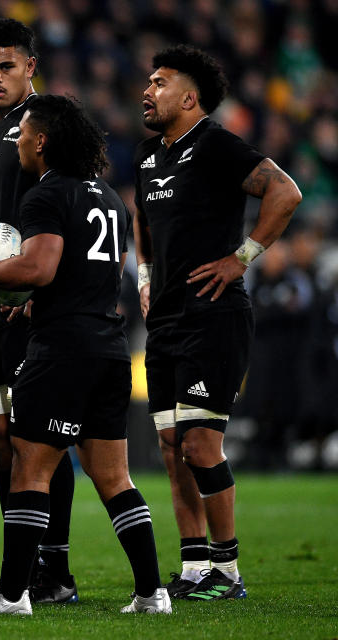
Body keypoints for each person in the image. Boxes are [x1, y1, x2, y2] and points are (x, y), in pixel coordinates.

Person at [0, 94, 170, 616]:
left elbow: (38, 269)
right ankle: (150, 592)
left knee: (30, 468)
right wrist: (36, 308)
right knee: (114, 476)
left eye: (24, 133)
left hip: (62, 352)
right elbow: (102, 273)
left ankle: (11, 596)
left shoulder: (44, 196)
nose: (18, 141)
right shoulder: (109, 198)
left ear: (42, 142)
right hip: (109, 348)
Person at [133, 45, 301, 601]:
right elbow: (143, 219)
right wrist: (145, 275)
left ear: (189, 96)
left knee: (201, 444)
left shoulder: (216, 145)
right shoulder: (149, 157)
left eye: (159, 83)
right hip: (167, 321)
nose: (146, 91)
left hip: (215, 316)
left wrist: (242, 257)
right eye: (147, 82)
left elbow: (285, 191)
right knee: (168, 445)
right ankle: (194, 567)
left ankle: (228, 572)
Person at [0, 18, 77, 604]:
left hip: (33, 308)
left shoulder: (53, 125)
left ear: (30, 66)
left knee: (40, 440)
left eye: (5, 66)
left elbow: (72, 210)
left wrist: (33, 292)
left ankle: (55, 569)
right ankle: (20, 568)